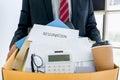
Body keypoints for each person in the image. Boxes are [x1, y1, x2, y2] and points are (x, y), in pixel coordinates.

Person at [6, 0, 102, 60]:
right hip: (42, 61)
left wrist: (100, 47)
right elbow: (22, 28)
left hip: (79, 60)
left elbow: (91, 27)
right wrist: (14, 45)